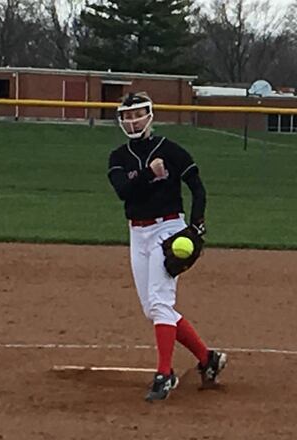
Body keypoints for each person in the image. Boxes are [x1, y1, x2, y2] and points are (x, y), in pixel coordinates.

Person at [107, 91, 227, 402]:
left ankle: (165, 373)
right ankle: (207, 358)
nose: (132, 121)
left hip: (169, 227)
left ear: (150, 115)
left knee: (160, 301)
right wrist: (149, 173)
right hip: (138, 232)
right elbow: (123, 191)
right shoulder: (119, 157)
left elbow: (198, 189)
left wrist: (197, 224)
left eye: (138, 114)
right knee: (153, 308)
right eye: (127, 116)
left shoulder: (171, 150)